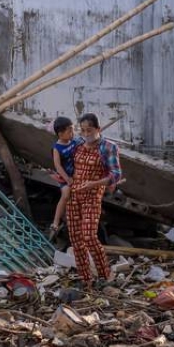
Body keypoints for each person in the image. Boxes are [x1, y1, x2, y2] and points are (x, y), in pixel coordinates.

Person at [66, 113, 122, 290]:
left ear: (98, 129)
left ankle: (106, 274)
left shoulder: (108, 147)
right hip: (74, 196)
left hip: (92, 196)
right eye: (82, 130)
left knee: (89, 237)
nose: (85, 133)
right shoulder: (78, 146)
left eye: (89, 130)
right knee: (76, 240)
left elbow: (116, 174)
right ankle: (86, 279)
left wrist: (94, 184)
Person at [48, 117, 78, 239]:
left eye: (73, 130)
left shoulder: (74, 141)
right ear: (60, 134)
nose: (72, 133)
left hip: (77, 174)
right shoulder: (57, 148)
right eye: (69, 131)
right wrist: (67, 179)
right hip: (64, 177)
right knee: (66, 194)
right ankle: (55, 223)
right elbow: (58, 166)